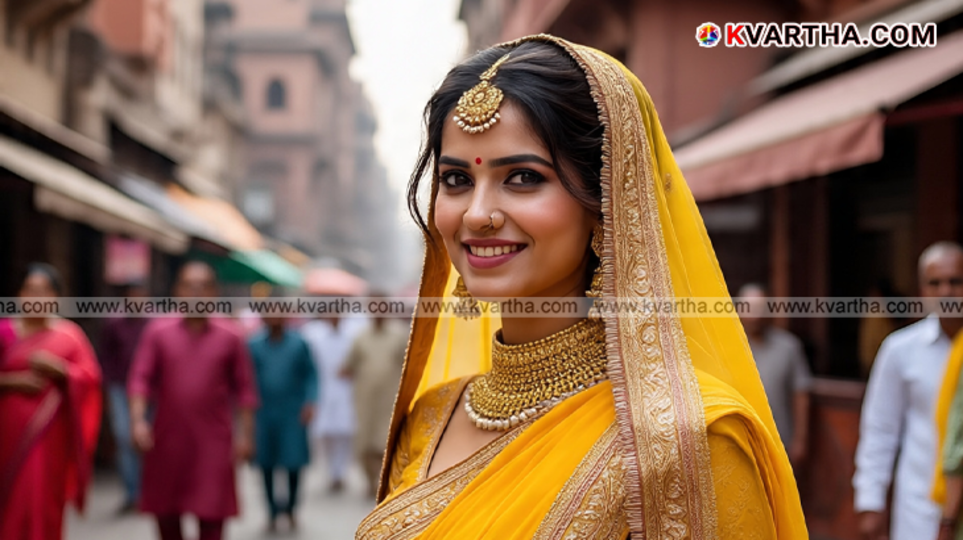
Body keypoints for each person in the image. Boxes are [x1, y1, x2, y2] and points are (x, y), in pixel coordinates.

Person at [354, 36, 807, 539]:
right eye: (457, 180)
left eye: (523, 177)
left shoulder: (686, 442)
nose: (477, 214)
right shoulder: (430, 416)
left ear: (605, 202)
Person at [128, 261, 258, 540]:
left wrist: (246, 436)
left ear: (215, 293)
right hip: (167, 440)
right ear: (177, 291)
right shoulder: (158, 332)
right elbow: (140, 379)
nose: (195, 293)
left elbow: (245, 390)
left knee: (212, 516)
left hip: (214, 442)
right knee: (167, 516)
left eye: (203, 286)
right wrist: (138, 421)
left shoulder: (231, 336)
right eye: (189, 286)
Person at [854, 241, 963, 540]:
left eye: (955, 281)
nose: (946, 291)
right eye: (935, 283)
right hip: (919, 506)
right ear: (922, 290)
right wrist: (870, 501)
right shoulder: (900, 349)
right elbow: (880, 429)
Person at [0, 263, 102, 540]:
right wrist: (12, 382)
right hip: (6, 434)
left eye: (44, 290)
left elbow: (91, 380)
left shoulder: (69, 336)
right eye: (30, 290)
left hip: (51, 438)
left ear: (56, 297)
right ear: (19, 294)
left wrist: (62, 371)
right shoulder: (4, 332)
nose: (36, 297)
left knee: (43, 500)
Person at [248, 314, 318, 531]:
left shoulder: (299, 344)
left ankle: (291, 509)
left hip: (292, 412)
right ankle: (271, 512)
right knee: (266, 464)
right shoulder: (253, 345)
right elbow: (246, 380)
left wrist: (310, 402)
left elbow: (311, 375)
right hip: (263, 412)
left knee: (293, 462)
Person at [738, 284, 812, 465]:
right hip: (740, 444)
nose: (755, 316)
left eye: (760, 308)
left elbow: (801, 394)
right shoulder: (729, 348)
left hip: (780, 443)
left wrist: (800, 440)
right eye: (749, 308)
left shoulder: (789, 347)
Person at [341, 302, 408, 498]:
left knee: (387, 440)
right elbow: (348, 366)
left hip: (391, 398)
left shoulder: (400, 335)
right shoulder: (360, 338)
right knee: (365, 442)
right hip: (365, 399)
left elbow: (409, 364)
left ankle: (386, 481)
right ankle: (371, 481)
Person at [301, 302, 366, 493]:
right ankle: (331, 472)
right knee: (324, 434)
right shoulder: (313, 334)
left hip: (346, 389)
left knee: (345, 433)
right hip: (322, 389)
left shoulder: (353, 334)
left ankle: (340, 473)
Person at [99, 282, 151, 514]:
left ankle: (148, 490)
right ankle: (132, 493)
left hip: (149, 391)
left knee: (147, 439)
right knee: (123, 436)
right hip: (120, 388)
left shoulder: (154, 324)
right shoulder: (114, 323)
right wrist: (107, 391)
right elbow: (105, 358)